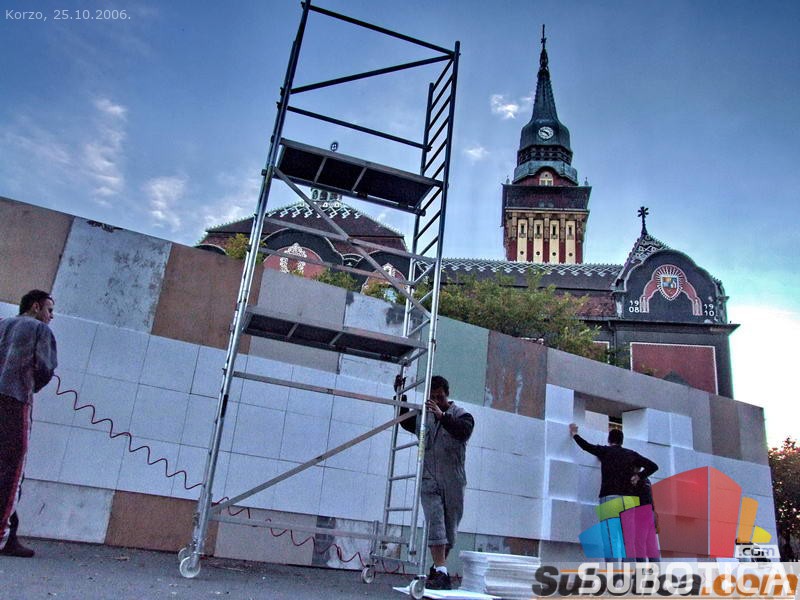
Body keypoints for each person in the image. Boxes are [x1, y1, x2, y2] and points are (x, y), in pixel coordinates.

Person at [399, 375, 474, 590]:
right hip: (429, 477)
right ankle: (441, 570)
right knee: (436, 522)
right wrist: (400, 395)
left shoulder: (462, 415)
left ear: (447, 395)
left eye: (440, 397)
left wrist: (442, 416)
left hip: (453, 479)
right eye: (432, 397)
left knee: (450, 528)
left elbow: (463, 431)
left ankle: (438, 569)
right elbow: (405, 421)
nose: (436, 401)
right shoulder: (425, 416)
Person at [0, 290, 58, 558]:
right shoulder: (39, 330)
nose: (51, 317)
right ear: (36, 307)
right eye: (49, 310)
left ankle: (9, 533)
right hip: (15, 400)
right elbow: (45, 368)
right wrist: (31, 384)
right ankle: (2, 536)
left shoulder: (3, 324)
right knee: (12, 469)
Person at [568, 423, 658, 502]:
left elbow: (586, 446)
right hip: (628, 498)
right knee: (627, 518)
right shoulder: (631, 454)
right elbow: (653, 466)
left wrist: (575, 433)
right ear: (622, 441)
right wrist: (638, 476)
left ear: (609, 440)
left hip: (609, 495)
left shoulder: (605, 451)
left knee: (610, 517)